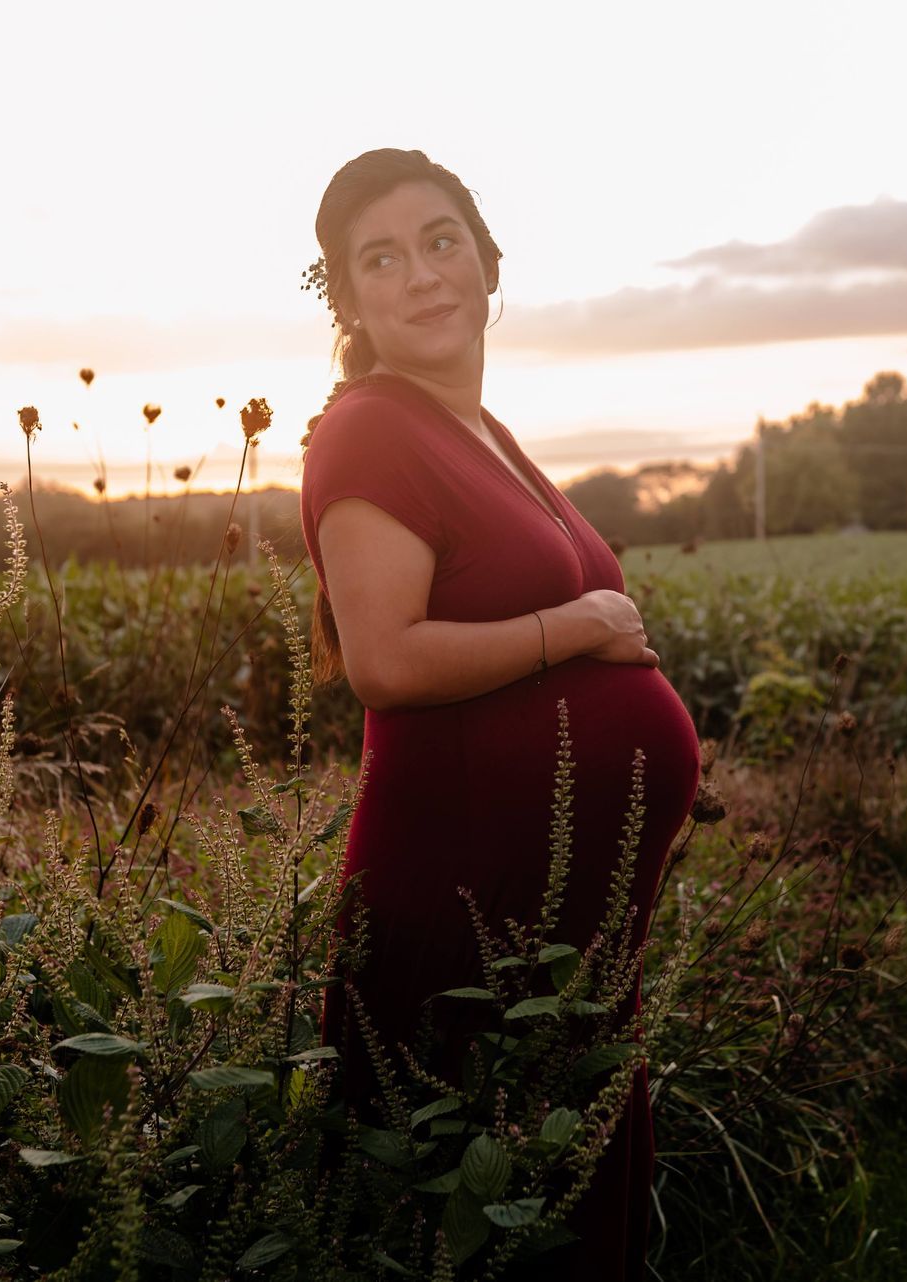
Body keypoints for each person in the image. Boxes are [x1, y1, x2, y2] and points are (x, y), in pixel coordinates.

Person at [296, 148, 700, 1280]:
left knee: (552, 1206)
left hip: (561, 932)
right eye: (383, 258)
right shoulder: (372, 429)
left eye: (441, 241)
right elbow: (385, 660)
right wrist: (579, 631)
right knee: (466, 1218)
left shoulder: (480, 427)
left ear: (486, 261)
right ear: (353, 301)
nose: (423, 275)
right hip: (462, 913)